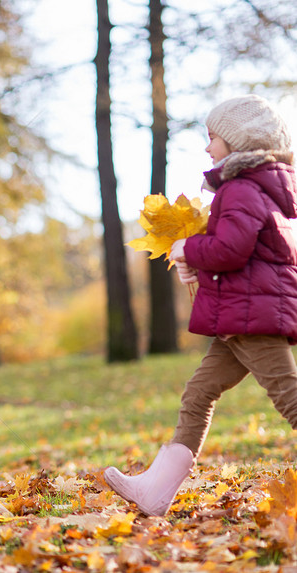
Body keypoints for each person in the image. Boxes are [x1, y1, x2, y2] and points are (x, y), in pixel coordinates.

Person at [104, 94, 297, 516]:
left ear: (240, 141)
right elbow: (248, 253)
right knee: (199, 392)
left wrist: (188, 247)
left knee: (288, 396)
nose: (208, 147)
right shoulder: (258, 188)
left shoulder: (243, 188)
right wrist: (195, 260)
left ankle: (156, 488)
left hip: (251, 317)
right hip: (240, 314)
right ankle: (155, 491)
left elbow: (231, 250)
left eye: (213, 138)